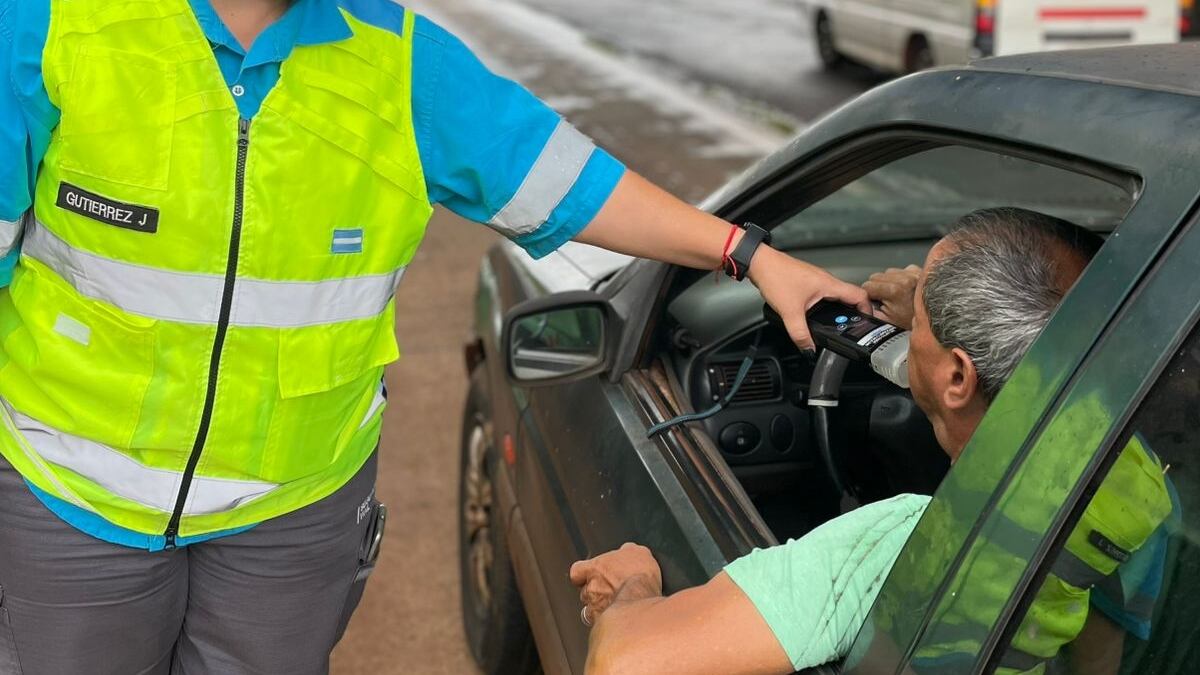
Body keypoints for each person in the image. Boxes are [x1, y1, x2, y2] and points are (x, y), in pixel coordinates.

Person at [0, 0, 870, 672]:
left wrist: (746, 252)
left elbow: (572, 183)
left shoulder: (401, 62)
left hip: (290, 516)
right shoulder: (50, 26)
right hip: (67, 501)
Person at [570, 208, 1173, 675]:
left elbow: (627, 663)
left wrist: (632, 585)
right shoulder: (1136, 485)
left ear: (959, 377)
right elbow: (1102, 647)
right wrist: (929, 314)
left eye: (926, 326)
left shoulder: (910, 545)